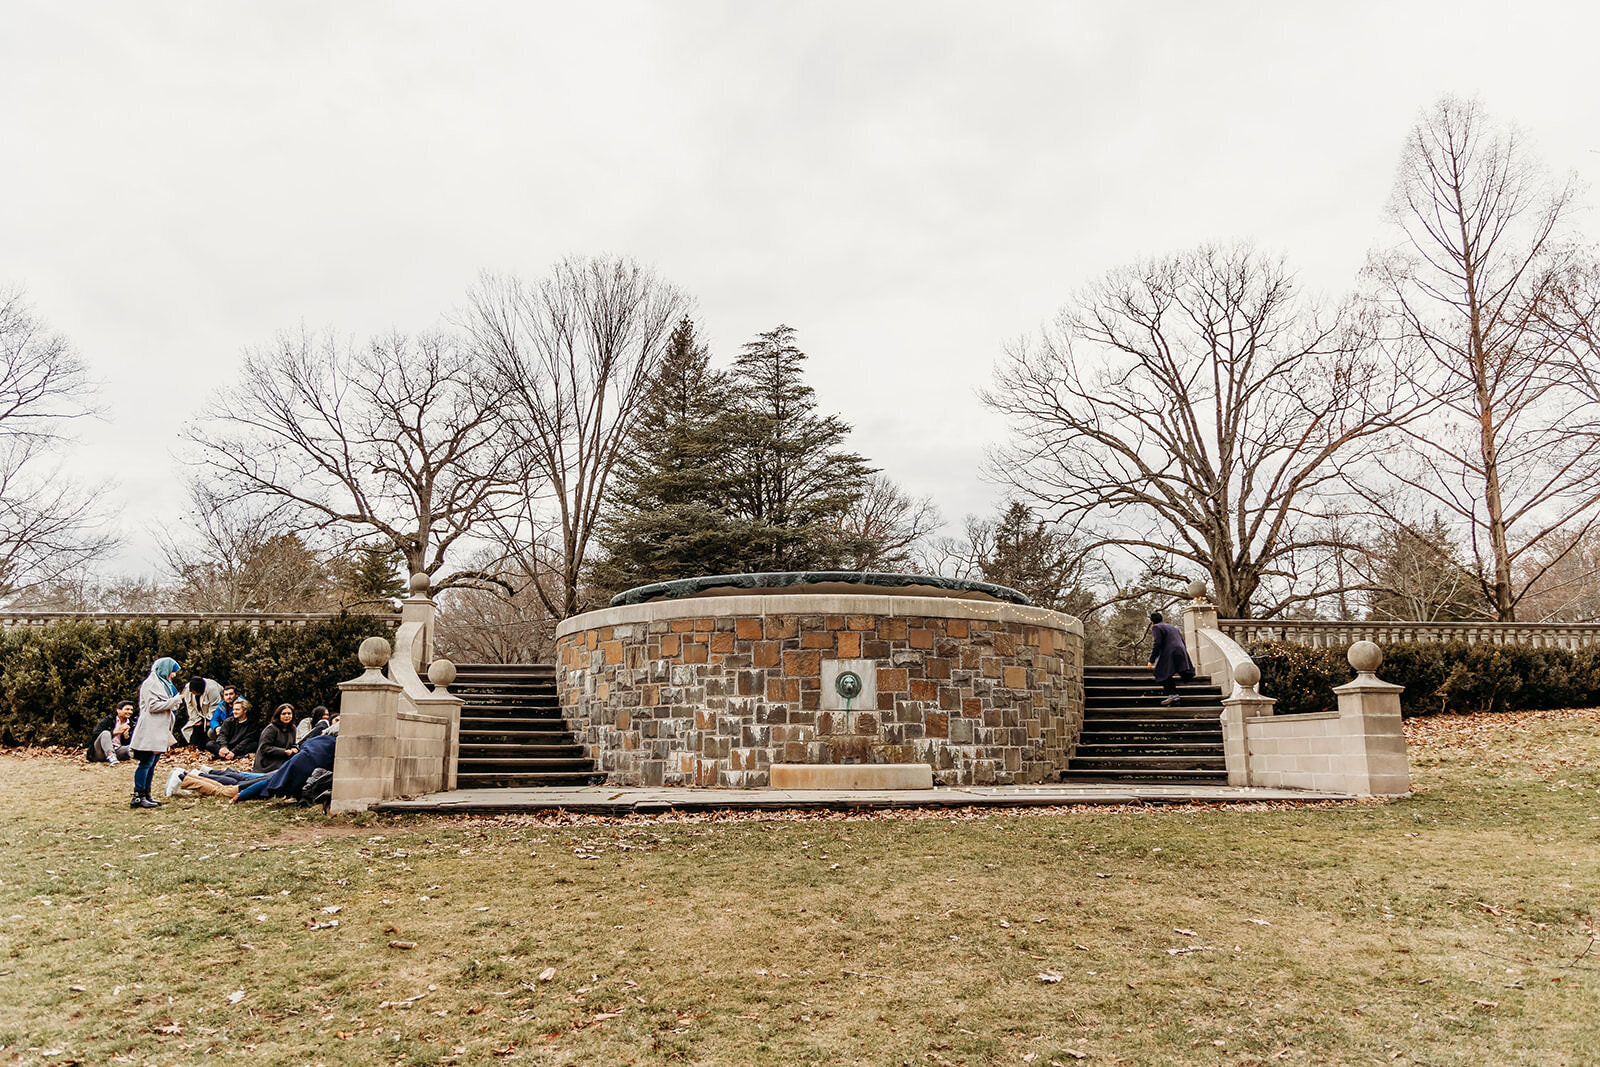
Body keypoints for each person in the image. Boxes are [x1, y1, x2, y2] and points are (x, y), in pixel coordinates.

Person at [129, 657, 184, 808]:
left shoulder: (164, 684)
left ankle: (147, 794)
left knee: (152, 763)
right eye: (173, 672)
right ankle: (138, 796)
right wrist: (176, 700)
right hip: (150, 729)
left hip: (160, 730)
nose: (173, 675)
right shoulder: (150, 684)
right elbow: (153, 706)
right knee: (146, 762)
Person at [235, 723, 337, 803]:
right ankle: (241, 794)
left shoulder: (321, 739)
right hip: (304, 765)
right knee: (272, 780)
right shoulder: (332, 743)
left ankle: (238, 785)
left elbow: (305, 744)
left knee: (272, 779)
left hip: (298, 760)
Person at [1147, 611, 1196, 706]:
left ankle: (1172, 694)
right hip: (1181, 650)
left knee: (1161, 672)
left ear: (1152, 621)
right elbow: (1181, 640)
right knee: (1176, 671)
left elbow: (1157, 643)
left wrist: (1151, 660)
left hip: (1170, 651)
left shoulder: (1156, 627)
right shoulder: (1173, 627)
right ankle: (1176, 694)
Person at [208, 697, 259, 762]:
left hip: (240, 747)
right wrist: (223, 747)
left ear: (245, 710)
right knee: (210, 744)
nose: (234, 712)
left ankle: (230, 756)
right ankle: (227, 755)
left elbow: (247, 739)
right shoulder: (228, 721)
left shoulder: (251, 723)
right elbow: (222, 735)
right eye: (234, 710)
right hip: (228, 746)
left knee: (254, 745)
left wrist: (234, 752)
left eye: (237, 710)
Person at [181, 676, 224, 750]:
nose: (194, 694)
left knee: (208, 728)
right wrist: (196, 719)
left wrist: (209, 719)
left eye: (196, 692)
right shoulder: (188, 689)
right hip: (199, 712)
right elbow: (190, 706)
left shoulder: (212, 689)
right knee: (196, 727)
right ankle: (195, 747)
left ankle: (208, 748)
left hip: (213, 712)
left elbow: (215, 706)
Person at [254, 703, 299, 773]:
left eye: (289, 713)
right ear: (278, 715)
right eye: (283, 714)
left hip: (284, 760)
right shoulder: (271, 729)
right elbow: (264, 748)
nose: (287, 716)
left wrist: (295, 748)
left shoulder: (292, 729)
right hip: (268, 763)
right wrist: (284, 752)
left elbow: (292, 744)